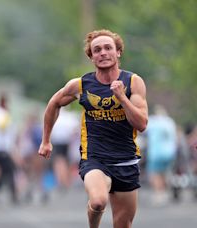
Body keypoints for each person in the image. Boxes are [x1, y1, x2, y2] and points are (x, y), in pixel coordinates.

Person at [38, 29, 148, 228]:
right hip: (95, 158)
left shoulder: (133, 82)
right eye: (97, 50)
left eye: (108, 48)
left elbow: (141, 124)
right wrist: (46, 140)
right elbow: (53, 103)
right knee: (98, 201)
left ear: (118, 52)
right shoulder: (81, 85)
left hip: (126, 161)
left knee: (123, 224)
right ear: (91, 56)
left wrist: (122, 98)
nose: (103, 53)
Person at [146, 105, 177, 206]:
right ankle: (165, 192)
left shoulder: (152, 121)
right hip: (169, 152)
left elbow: (143, 130)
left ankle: (159, 194)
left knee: (155, 174)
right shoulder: (169, 121)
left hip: (156, 152)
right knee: (164, 173)